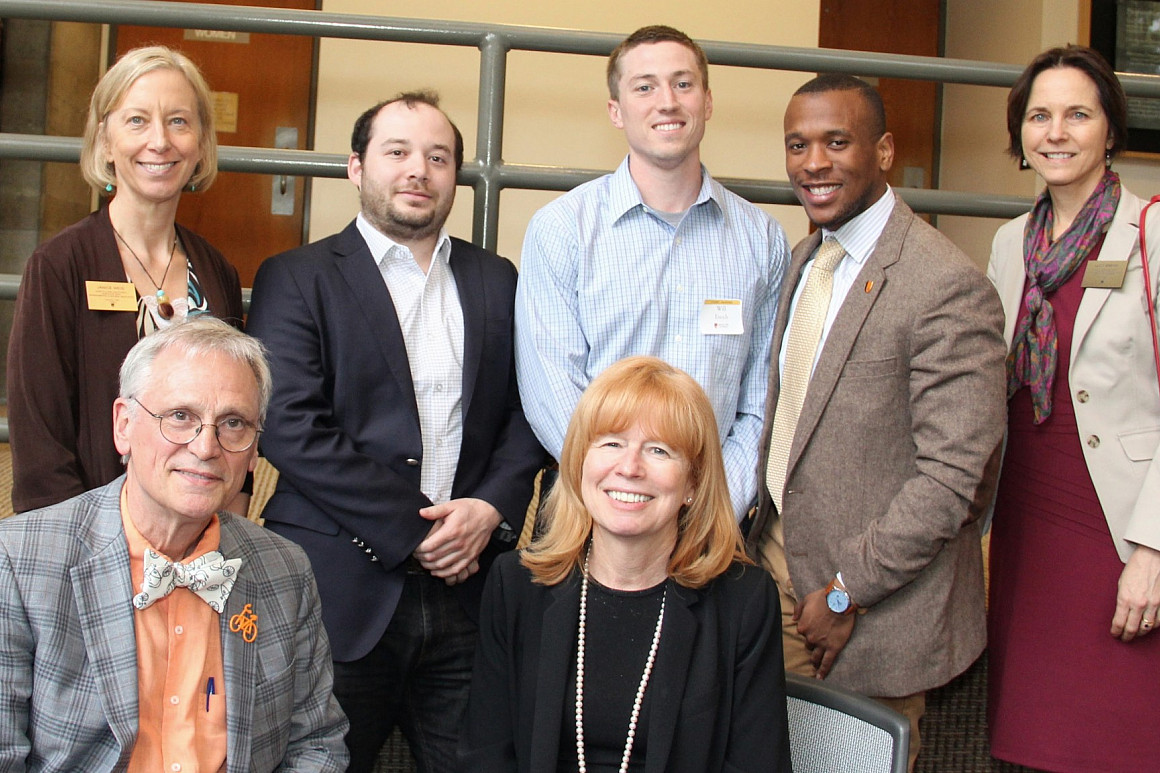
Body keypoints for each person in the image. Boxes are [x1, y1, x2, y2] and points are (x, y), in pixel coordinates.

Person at [246, 91, 543, 772]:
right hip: (338, 590)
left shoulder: (496, 279)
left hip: (470, 588)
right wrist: (419, 531)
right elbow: (288, 425)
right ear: (356, 167)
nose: (420, 170)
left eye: (438, 158)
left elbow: (533, 410)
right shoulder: (296, 277)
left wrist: (491, 507)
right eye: (398, 152)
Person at [747, 74, 1007, 770]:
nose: (813, 163)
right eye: (798, 145)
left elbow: (953, 478)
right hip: (773, 571)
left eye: (838, 141)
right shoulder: (805, 260)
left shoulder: (943, 284)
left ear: (885, 149)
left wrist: (842, 591)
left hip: (870, 605)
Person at [0, 317, 348, 771]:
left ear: (254, 449)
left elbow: (317, 744)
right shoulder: (18, 562)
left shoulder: (285, 569)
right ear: (124, 425)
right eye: (180, 416)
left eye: (233, 423)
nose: (206, 446)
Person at [460, 356, 790, 772]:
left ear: (693, 483)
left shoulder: (744, 601)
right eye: (612, 443)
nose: (630, 468)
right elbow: (484, 758)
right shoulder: (516, 585)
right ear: (580, 463)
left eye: (659, 450)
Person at [515, 24, 789, 520]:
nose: (667, 102)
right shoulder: (562, 229)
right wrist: (626, 492)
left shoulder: (762, 239)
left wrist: (714, 502)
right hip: (590, 508)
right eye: (644, 87)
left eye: (683, 84)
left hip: (713, 516)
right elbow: (550, 389)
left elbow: (762, 402)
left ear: (707, 101)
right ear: (616, 112)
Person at [985, 45, 1160, 772]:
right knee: (1028, 739)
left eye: (1077, 114)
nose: (1056, 132)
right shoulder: (1006, 244)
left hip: (1118, 530)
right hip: (1025, 527)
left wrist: (1156, 550)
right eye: (1039, 115)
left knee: (1113, 739)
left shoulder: (1152, 234)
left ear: (1110, 130)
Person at [7, 45, 245, 515]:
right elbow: (40, 440)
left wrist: (229, 517)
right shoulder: (59, 266)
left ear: (201, 143)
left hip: (199, 537)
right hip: (91, 539)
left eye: (178, 121)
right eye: (137, 120)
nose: (160, 141)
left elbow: (236, 415)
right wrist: (87, 549)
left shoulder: (217, 271)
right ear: (104, 140)